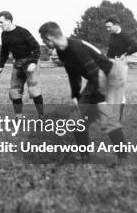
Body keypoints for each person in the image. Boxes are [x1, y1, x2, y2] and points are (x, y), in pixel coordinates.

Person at [38, 21, 128, 164]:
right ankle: (84, 156)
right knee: (75, 119)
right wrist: (75, 95)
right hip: (96, 79)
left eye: (43, 39)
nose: (43, 42)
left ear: (49, 38)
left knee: (108, 121)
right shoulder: (62, 51)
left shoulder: (76, 48)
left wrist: (99, 101)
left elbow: (97, 75)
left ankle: (123, 159)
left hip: (110, 77)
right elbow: (73, 73)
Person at [0, 11, 44, 118]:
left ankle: (41, 116)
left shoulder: (22, 32)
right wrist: (1, 66)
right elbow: (4, 51)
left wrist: (33, 63)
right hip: (18, 62)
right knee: (14, 91)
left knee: (33, 89)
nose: (0, 25)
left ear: (9, 21)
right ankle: (18, 117)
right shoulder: (4, 34)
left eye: (1, 22)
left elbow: (36, 47)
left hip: (30, 60)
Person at [105, 15, 137, 120]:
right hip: (111, 63)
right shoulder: (112, 36)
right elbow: (110, 51)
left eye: (109, 27)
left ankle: (118, 118)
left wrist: (126, 54)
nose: (108, 29)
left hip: (120, 65)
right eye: (106, 27)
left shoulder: (125, 36)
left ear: (116, 25)